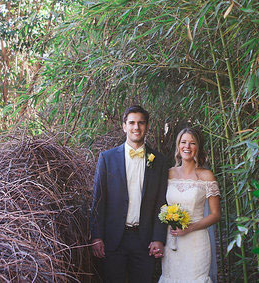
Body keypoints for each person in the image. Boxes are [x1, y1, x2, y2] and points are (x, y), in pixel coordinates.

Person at [90, 105, 169, 282]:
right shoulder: (107, 158)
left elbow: (161, 203)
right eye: (131, 122)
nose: (136, 127)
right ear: (124, 126)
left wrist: (158, 238)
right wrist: (96, 236)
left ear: (147, 127)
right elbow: (99, 200)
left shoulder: (159, 161)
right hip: (113, 238)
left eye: (141, 123)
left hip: (145, 239)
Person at [159, 127, 221, 283]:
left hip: (196, 241)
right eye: (183, 142)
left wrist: (190, 228)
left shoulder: (206, 176)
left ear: (198, 148)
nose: (187, 147)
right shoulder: (168, 174)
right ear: (178, 146)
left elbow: (215, 215)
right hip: (172, 241)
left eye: (192, 143)